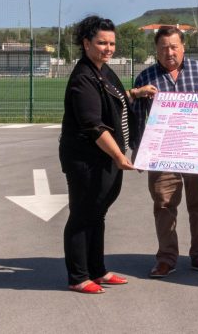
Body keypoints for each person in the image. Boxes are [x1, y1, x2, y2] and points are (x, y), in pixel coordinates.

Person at [130, 26, 198, 278]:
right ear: (156, 50)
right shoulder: (145, 77)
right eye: (163, 48)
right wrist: (138, 150)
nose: (169, 52)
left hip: (196, 150)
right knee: (163, 205)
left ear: (183, 47)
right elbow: (137, 118)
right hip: (162, 152)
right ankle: (166, 258)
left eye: (173, 46)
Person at [59, 15, 136, 294]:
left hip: (105, 157)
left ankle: (98, 270)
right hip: (86, 160)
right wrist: (119, 155)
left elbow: (115, 98)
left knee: (97, 213)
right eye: (102, 42)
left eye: (112, 43)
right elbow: (94, 124)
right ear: (86, 43)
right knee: (82, 215)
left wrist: (136, 93)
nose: (108, 48)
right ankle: (78, 276)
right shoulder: (83, 77)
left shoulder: (103, 70)